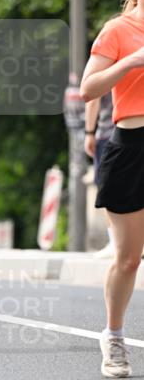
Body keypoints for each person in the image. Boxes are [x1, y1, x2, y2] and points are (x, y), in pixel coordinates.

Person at [80, 0, 144, 379]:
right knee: (128, 257)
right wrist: (130, 62)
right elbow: (88, 88)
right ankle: (114, 337)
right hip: (132, 146)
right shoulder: (118, 30)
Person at [83, 91, 115, 256]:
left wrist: (89, 133)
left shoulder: (103, 64)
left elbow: (92, 98)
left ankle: (115, 241)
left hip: (108, 133)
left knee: (108, 190)